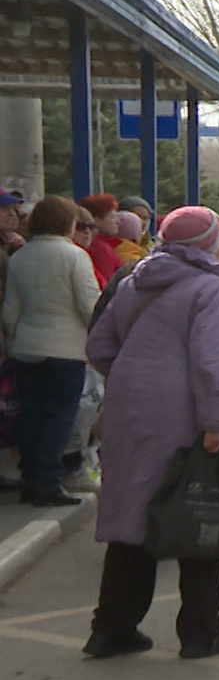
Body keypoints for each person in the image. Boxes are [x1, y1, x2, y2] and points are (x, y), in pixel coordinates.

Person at [81, 205, 219, 660]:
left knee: (131, 516)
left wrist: (132, 376)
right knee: (196, 511)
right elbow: (210, 363)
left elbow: (99, 345)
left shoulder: (133, 281)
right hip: (184, 410)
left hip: (128, 408)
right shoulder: (208, 286)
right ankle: (201, 632)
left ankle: (110, 628)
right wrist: (215, 422)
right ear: (207, 242)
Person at [2, 197, 101, 506]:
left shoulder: (20, 257)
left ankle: (31, 479)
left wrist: (13, 342)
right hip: (66, 349)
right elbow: (89, 305)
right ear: (67, 223)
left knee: (30, 415)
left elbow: (10, 311)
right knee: (59, 418)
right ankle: (48, 482)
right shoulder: (75, 256)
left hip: (26, 347)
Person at [77, 195, 123, 288]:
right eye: (112, 217)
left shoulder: (102, 245)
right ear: (96, 220)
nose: (118, 221)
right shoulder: (100, 248)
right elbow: (107, 285)